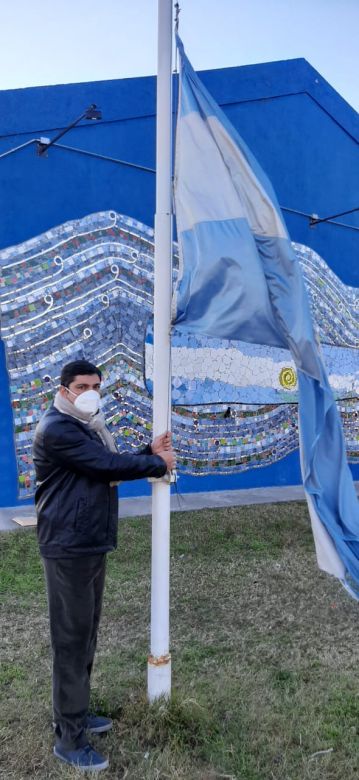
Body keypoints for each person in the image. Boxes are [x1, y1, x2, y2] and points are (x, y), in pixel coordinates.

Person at [33, 359, 176, 772]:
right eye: (82, 385)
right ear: (63, 390)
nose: (91, 391)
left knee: (85, 636)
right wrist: (156, 464)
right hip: (68, 548)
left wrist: (146, 454)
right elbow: (103, 466)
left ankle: (74, 716)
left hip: (86, 543)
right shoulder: (57, 429)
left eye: (96, 384)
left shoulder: (84, 426)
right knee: (72, 642)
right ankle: (69, 739)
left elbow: (102, 464)